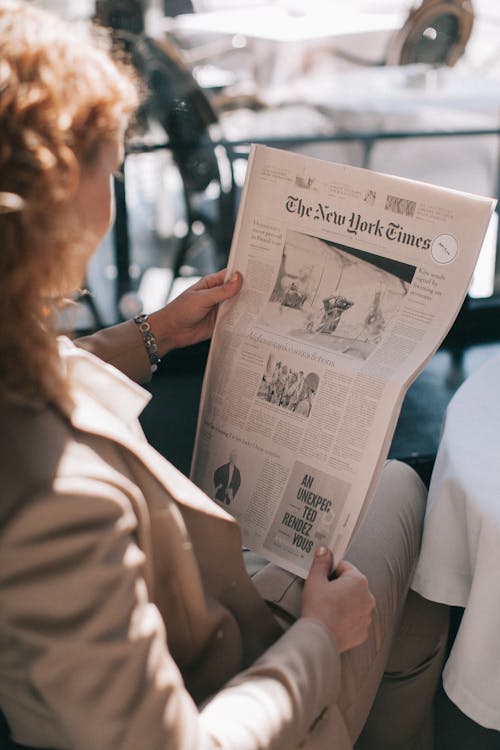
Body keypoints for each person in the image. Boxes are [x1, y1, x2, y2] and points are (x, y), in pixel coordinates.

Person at [0, 3, 449, 750]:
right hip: (235, 688)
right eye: (110, 166)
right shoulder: (55, 506)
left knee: (392, 554)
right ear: (57, 199)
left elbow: (34, 370)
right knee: (407, 509)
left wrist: (155, 333)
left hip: (200, 620)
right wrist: (316, 637)